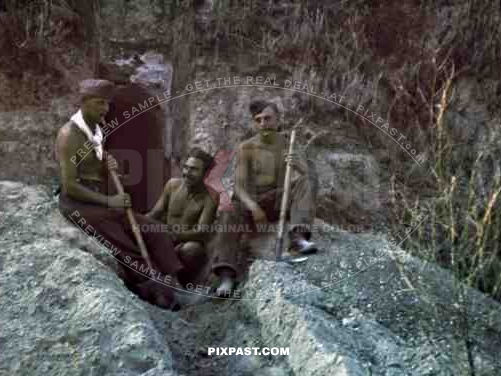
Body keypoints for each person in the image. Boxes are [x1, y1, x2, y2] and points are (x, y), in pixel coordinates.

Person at [55, 78, 183, 309]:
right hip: (78, 204)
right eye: (98, 103)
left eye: (107, 104)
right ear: (83, 102)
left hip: (101, 199)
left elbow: (94, 168)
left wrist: (107, 168)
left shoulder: (96, 131)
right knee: (125, 243)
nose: (104, 109)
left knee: (154, 231)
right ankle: (152, 292)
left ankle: (176, 285)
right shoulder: (70, 136)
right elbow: (70, 185)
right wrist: (109, 200)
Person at [211, 99, 318, 297]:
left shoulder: (290, 144)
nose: (263, 124)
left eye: (267, 118)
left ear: (278, 120)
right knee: (230, 210)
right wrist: (254, 208)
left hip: (278, 198)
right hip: (249, 202)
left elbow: (308, 179)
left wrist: (299, 166)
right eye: (258, 120)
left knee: (305, 182)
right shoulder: (247, 147)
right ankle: (226, 275)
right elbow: (239, 188)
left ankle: (298, 238)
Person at [146, 147, 220, 287]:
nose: (187, 173)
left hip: (186, 243)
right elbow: (155, 213)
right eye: (186, 167)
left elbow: (201, 231)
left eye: (193, 169)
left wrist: (174, 236)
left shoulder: (211, 196)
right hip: (165, 239)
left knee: (192, 249)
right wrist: (136, 221)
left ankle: (181, 282)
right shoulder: (172, 185)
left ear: (205, 173)